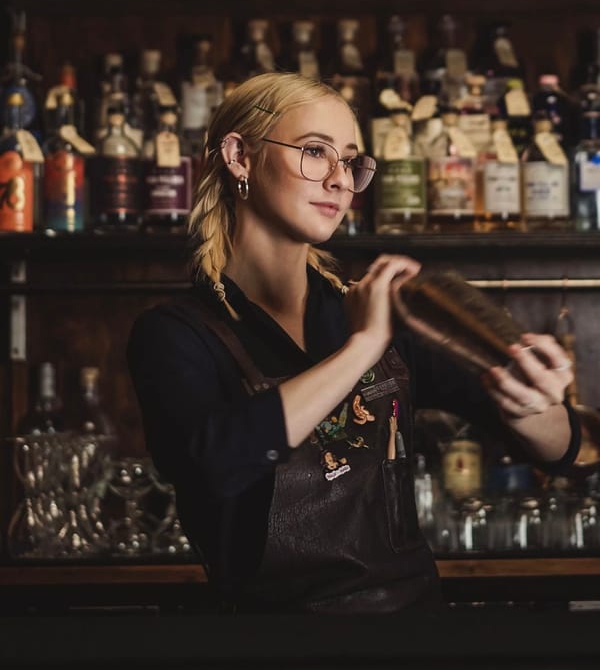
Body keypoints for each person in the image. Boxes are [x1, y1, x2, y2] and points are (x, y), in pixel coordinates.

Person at [127, 72, 580, 614]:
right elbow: (215, 461)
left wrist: (534, 403)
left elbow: (567, 452)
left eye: (350, 161)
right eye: (316, 152)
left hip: (408, 647)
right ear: (239, 156)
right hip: (264, 657)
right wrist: (363, 348)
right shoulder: (177, 333)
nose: (341, 182)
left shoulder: (377, 312)